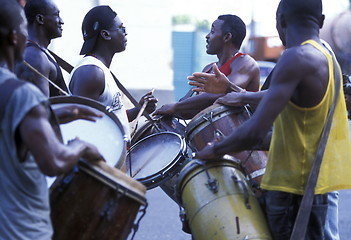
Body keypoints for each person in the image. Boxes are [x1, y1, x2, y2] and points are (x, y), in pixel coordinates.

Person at [188, 0, 351, 239]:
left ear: (281, 21)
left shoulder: (296, 57)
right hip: (314, 187)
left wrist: (216, 149)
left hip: (291, 190)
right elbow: (292, 135)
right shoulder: (327, 58)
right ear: (322, 22)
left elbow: (255, 130)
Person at [0, 1, 104, 239]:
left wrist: (51, 115)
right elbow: (53, 161)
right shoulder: (22, 94)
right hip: (21, 229)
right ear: (15, 36)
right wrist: (81, 146)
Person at [68, 5, 157, 142]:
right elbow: (82, 126)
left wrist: (139, 109)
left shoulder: (100, 69)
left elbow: (109, 118)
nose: (125, 33)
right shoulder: (91, 72)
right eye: (122, 28)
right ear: (105, 34)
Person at [154, 14, 259, 119]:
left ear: (227, 37)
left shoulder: (245, 62)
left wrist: (176, 107)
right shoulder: (208, 69)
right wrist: (170, 110)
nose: (207, 36)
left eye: (212, 31)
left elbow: (223, 93)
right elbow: (187, 105)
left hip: (245, 132)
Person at [15, 0, 68, 97]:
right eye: (56, 15)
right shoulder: (35, 57)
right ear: (40, 19)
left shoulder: (39, 52)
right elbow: (41, 109)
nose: (62, 21)